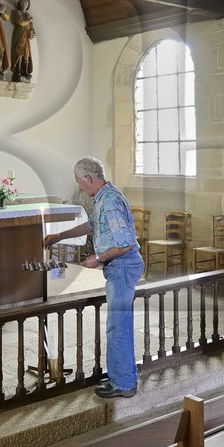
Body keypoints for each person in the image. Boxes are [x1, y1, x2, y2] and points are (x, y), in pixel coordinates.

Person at [44, 157, 142, 399]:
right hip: (119, 267)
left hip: (122, 267)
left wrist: (97, 258)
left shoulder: (108, 202)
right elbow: (92, 226)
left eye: (79, 182)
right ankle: (122, 376)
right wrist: (59, 235)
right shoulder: (104, 197)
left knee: (117, 327)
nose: (79, 187)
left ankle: (125, 384)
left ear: (89, 178)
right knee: (119, 326)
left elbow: (126, 243)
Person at [10, 0, 35, 82]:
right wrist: (29, 20)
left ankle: (25, 72)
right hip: (19, 35)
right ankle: (18, 71)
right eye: (23, 2)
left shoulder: (27, 14)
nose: (24, 4)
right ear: (19, 4)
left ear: (28, 5)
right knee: (19, 53)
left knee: (26, 54)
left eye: (26, 3)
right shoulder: (16, 12)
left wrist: (32, 32)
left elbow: (30, 26)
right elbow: (20, 22)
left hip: (26, 38)